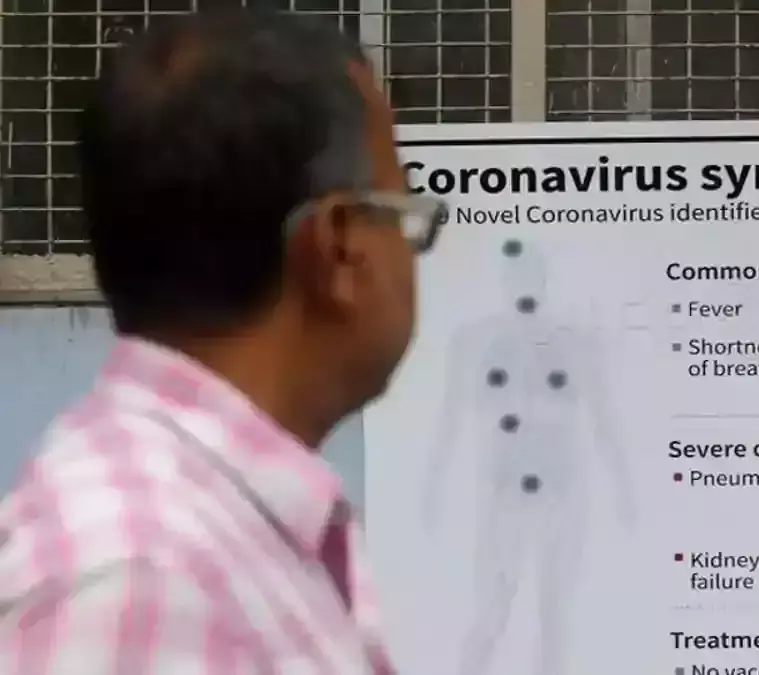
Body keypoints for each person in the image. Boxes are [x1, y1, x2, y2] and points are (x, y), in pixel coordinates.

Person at [0, 9, 444, 674]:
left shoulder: (234, 528)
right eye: (405, 217)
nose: (413, 255)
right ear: (338, 247)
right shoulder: (140, 581)